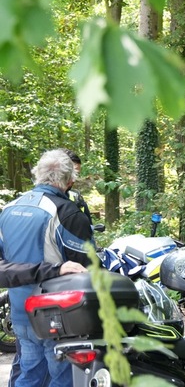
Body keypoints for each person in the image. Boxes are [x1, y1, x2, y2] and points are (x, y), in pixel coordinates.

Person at [0, 149, 94, 387]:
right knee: (63, 379)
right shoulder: (68, 213)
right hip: (59, 318)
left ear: (37, 175)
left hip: (20, 314)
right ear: (70, 180)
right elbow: (88, 269)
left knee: (29, 375)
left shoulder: (8, 209)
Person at [61, 148, 92, 224]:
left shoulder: (77, 200)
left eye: (76, 174)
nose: (73, 180)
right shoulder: (37, 200)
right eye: (71, 174)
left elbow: (88, 229)